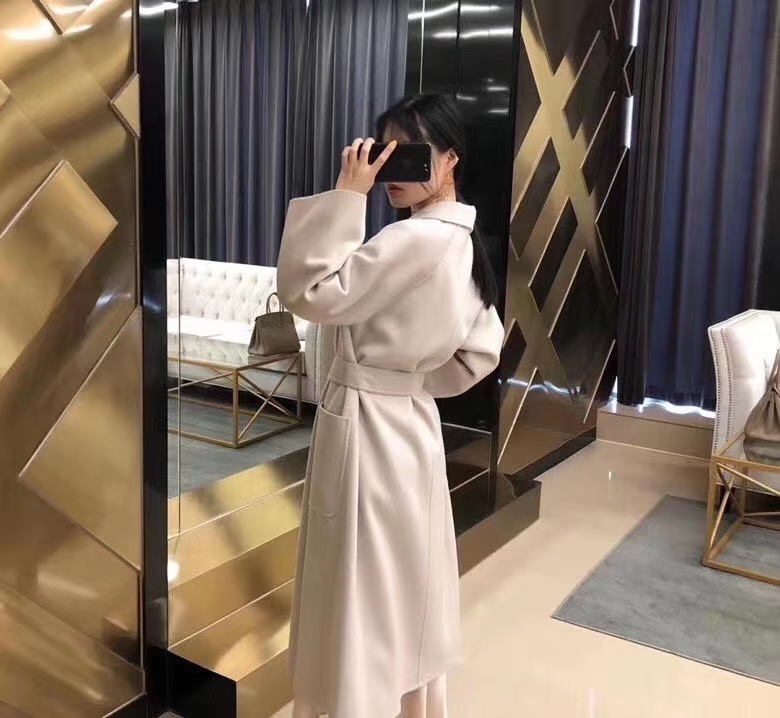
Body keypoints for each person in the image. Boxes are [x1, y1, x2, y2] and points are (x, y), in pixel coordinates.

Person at [277, 94, 504, 718]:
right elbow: (481, 350)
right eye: (385, 153)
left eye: (412, 153)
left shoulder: (415, 240)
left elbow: (308, 289)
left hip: (368, 432)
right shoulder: (460, 241)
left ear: (450, 158)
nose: (391, 170)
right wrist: (409, 383)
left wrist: (347, 196)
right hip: (409, 427)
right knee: (402, 586)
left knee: (362, 590)